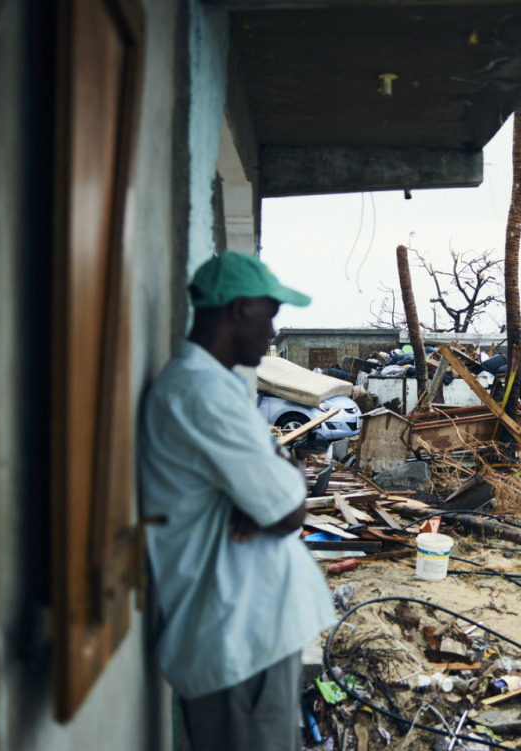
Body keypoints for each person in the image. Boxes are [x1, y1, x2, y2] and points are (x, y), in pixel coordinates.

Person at [139, 250, 335, 751]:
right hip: (236, 640)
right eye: (269, 315)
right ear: (237, 309)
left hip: (247, 635)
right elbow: (287, 510)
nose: (272, 333)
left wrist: (275, 472)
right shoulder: (201, 393)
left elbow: (274, 488)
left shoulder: (215, 387)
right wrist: (280, 477)